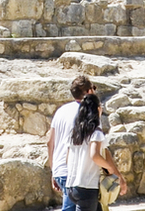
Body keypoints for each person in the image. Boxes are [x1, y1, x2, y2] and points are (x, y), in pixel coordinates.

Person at [60, 93, 128, 207]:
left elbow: (67, 159)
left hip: (71, 187)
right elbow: (94, 155)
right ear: (97, 109)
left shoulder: (74, 134)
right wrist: (109, 168)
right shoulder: (96, 133)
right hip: (87, 187)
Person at [46, 76, 96, 211]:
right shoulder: (88, 113)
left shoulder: (61, 110)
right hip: (75, 171)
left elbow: (50, 142)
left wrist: (53, 171)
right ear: (88, 91)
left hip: (59, 170)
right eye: (94, 88)